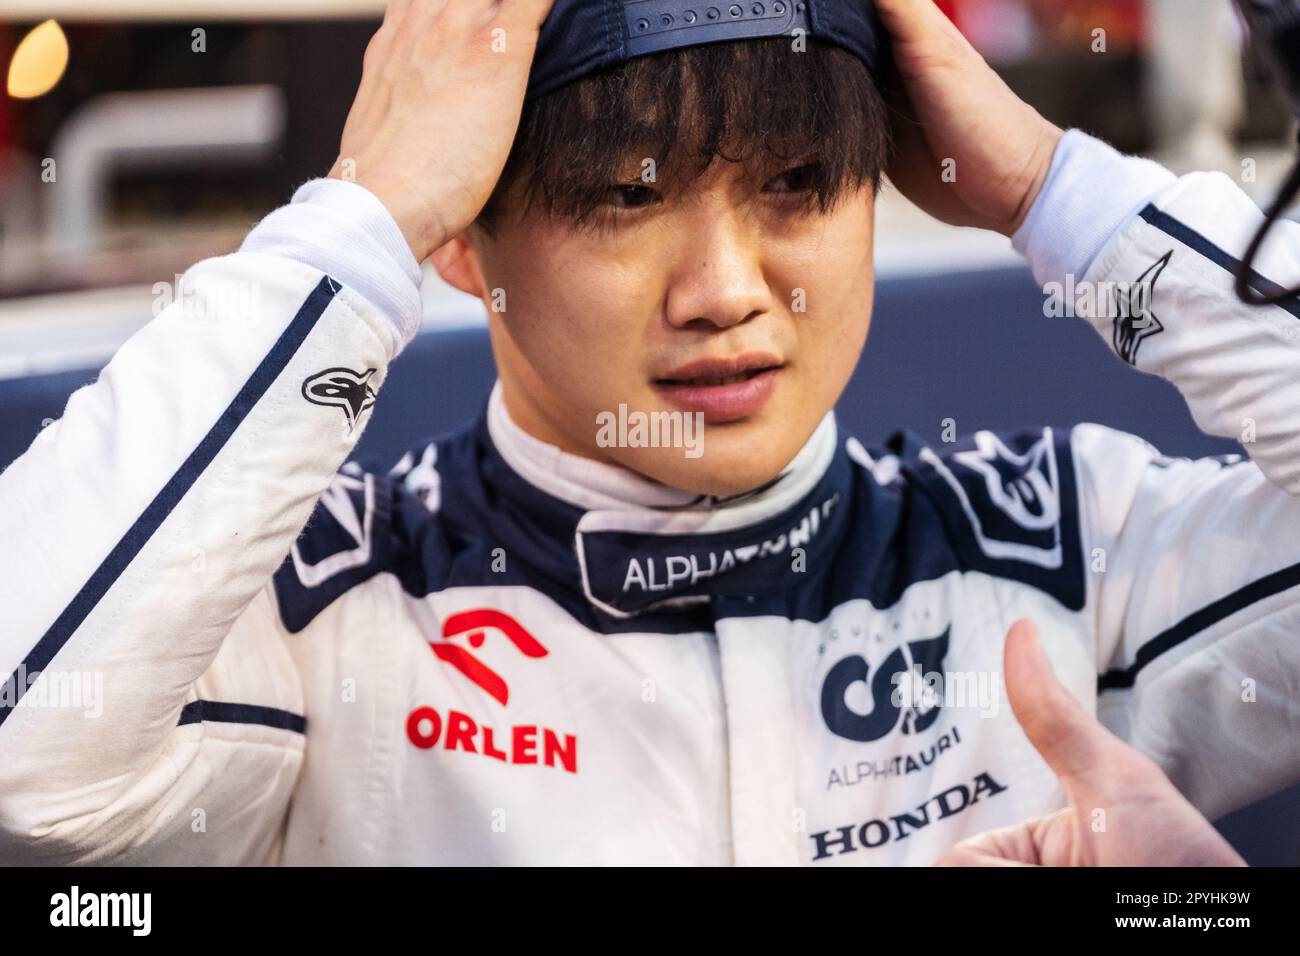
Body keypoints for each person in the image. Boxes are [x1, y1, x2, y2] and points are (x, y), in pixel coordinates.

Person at [0, 0, 1294, 866]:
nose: (726, 288)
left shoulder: (1074, 548)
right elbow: (25, 753)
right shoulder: (319, 617)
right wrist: (362, 220)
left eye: (795, 183)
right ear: (462, 233)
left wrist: (1049, 187)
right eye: (628, 194)